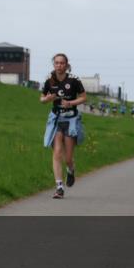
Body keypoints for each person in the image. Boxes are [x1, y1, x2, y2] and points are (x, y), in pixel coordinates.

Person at [40, 53, 87, 199]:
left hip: (71, 119)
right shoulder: (49, 79)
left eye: (62, 63)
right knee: (57, 153)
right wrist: (47, 99)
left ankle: (71, 170)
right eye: (56, 63)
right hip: (56, 119)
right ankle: (59, 187)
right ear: (53, 64)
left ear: (66, 65)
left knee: (68, 157)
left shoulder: (73, 80)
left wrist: (71, 103)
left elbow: (84, 97)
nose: (59, 65)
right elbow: (41, 99)